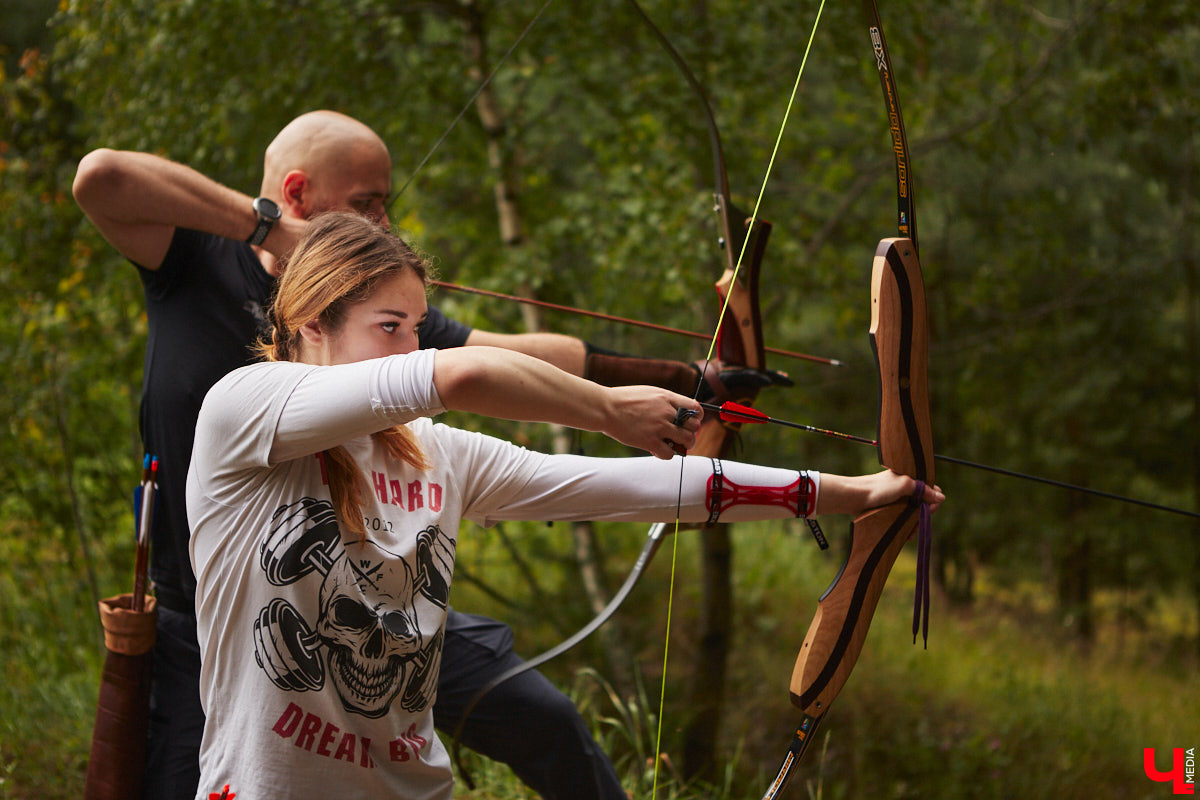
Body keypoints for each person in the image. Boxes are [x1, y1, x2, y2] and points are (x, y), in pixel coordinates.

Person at [72, 109, 788, 800]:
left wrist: (684, 378)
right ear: (297, 192)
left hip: (380, 607)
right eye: (368, 202)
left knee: (548, 722)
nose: (383, 221)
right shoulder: (196, 258)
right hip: (212, 612)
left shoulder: (383, 318)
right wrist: (268, 229)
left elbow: (504, 357)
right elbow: (101, 177)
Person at [186, 211, 943, 799]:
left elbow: (638, 487)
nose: (411, 348)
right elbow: (460, 375)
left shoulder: (432, 453)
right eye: (389, 327)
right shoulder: (244, 410)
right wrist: (610, 407)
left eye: (416, 328)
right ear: (313, 322)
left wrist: (852, 493)